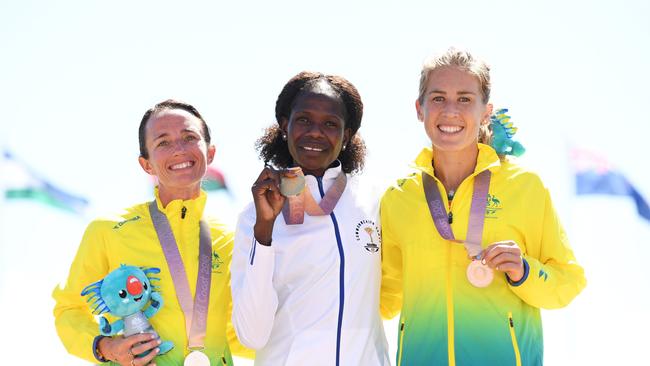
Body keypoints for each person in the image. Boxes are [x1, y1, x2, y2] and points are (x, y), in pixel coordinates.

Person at [380, 48, 587, 366]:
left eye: (465, 99)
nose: (450, 110)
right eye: (437, 98)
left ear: (485, 111)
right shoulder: (397, 198)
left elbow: (568, 282)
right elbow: (385, 297)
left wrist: (524, 271)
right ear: (419, 109)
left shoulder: (525, 187)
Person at [53, 100, 251, 365]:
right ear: (146, 164)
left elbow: (239, 330)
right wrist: (107, 347)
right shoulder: (108, 230)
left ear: (210, 152)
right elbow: (68, 309)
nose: (179, 149)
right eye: (163, 143)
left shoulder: (231, 237)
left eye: (190, 137)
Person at [231, 71, 390, 365]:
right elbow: (251, 336)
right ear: (284, 125)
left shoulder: (373, 202)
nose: (315, 132)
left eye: (330, 123)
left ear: (348, 134)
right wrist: (264, 232)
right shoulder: (254, 216)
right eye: (304, 119)